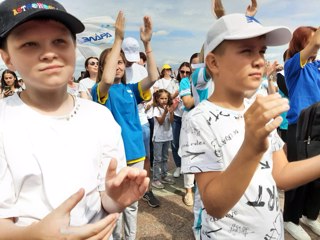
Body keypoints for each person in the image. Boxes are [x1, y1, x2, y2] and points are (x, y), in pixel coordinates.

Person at [0, 1, 149, 239]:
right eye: (29, 44)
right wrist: (37, 235)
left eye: (59, 41)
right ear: (7, 58)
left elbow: (105, 199)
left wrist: (115, 198)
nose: (49, 53)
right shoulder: (5, 121)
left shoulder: (100, 117)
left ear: (74, 47)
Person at [177, 10, 320, 239]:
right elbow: (214, 205)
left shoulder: (256, 107)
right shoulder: (199, 119)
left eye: (261, 50)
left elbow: (281, 173)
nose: (259, 60)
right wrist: (251, 146)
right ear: (213, 62)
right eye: (246, 51)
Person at [91, 12, 159, 240]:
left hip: (135, 153)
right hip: (113, 157)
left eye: (120, 62)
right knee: (113, 206)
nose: (117, 66)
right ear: (103, 67)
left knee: (131, 205)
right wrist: (117, 39)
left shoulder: (132, 90)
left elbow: (153, 76)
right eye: (112, 62)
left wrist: (147, 44)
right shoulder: (100, 90)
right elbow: (107, 80)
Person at [283, 26, 320, 240]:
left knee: (317, 176)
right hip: (300, 126)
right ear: (300, 43)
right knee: (298, 177)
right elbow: (315, 44)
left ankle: (310, 215)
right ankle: (291, 218)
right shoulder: (293, 65)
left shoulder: (317, 66)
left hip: (318, 124)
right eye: (311, 38)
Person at [121, 37, 160, 208]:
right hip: (121, 121)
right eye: (126, 58)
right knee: (122, 158)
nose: (129, 63)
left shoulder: (141, 70)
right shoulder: (117, 68)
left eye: (133, 58)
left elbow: (149, 93)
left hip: (142, 120)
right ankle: (122, 190)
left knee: (145, 157)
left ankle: (147, 189)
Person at [151, 89, 175, 189]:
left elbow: (171, 121)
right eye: (162, 98)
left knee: (165, 158)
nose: (164, 100)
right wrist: (165, 112)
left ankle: (164, 175)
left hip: (167, 136)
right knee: (157, 159)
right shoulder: (156, 109)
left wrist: (171, 112)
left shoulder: (168, 107)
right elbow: (160, 121)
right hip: (158, 137)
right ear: (157, 98)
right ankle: (156, 179)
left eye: (166, 98)